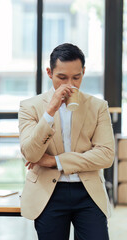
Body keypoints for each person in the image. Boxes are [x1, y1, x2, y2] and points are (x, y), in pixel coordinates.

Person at [18, 43, 115, 240]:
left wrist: (55, 161)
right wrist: (50, 111)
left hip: (88, 192)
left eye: (76, 78)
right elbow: (31, 154)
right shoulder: (30, 107)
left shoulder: (98, 107)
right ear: (49, 72)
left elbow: (105, 155)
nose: (69, 84)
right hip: (48, 193)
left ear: (83, 72)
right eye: (62, 78)